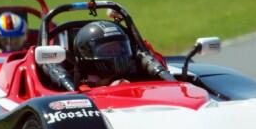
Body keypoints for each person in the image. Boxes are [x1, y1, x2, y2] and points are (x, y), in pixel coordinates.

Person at [43, 20, 176, 91]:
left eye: (120, 48)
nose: (116, 55)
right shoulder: (78, 90)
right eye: (108, 51)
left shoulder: (137, 77)